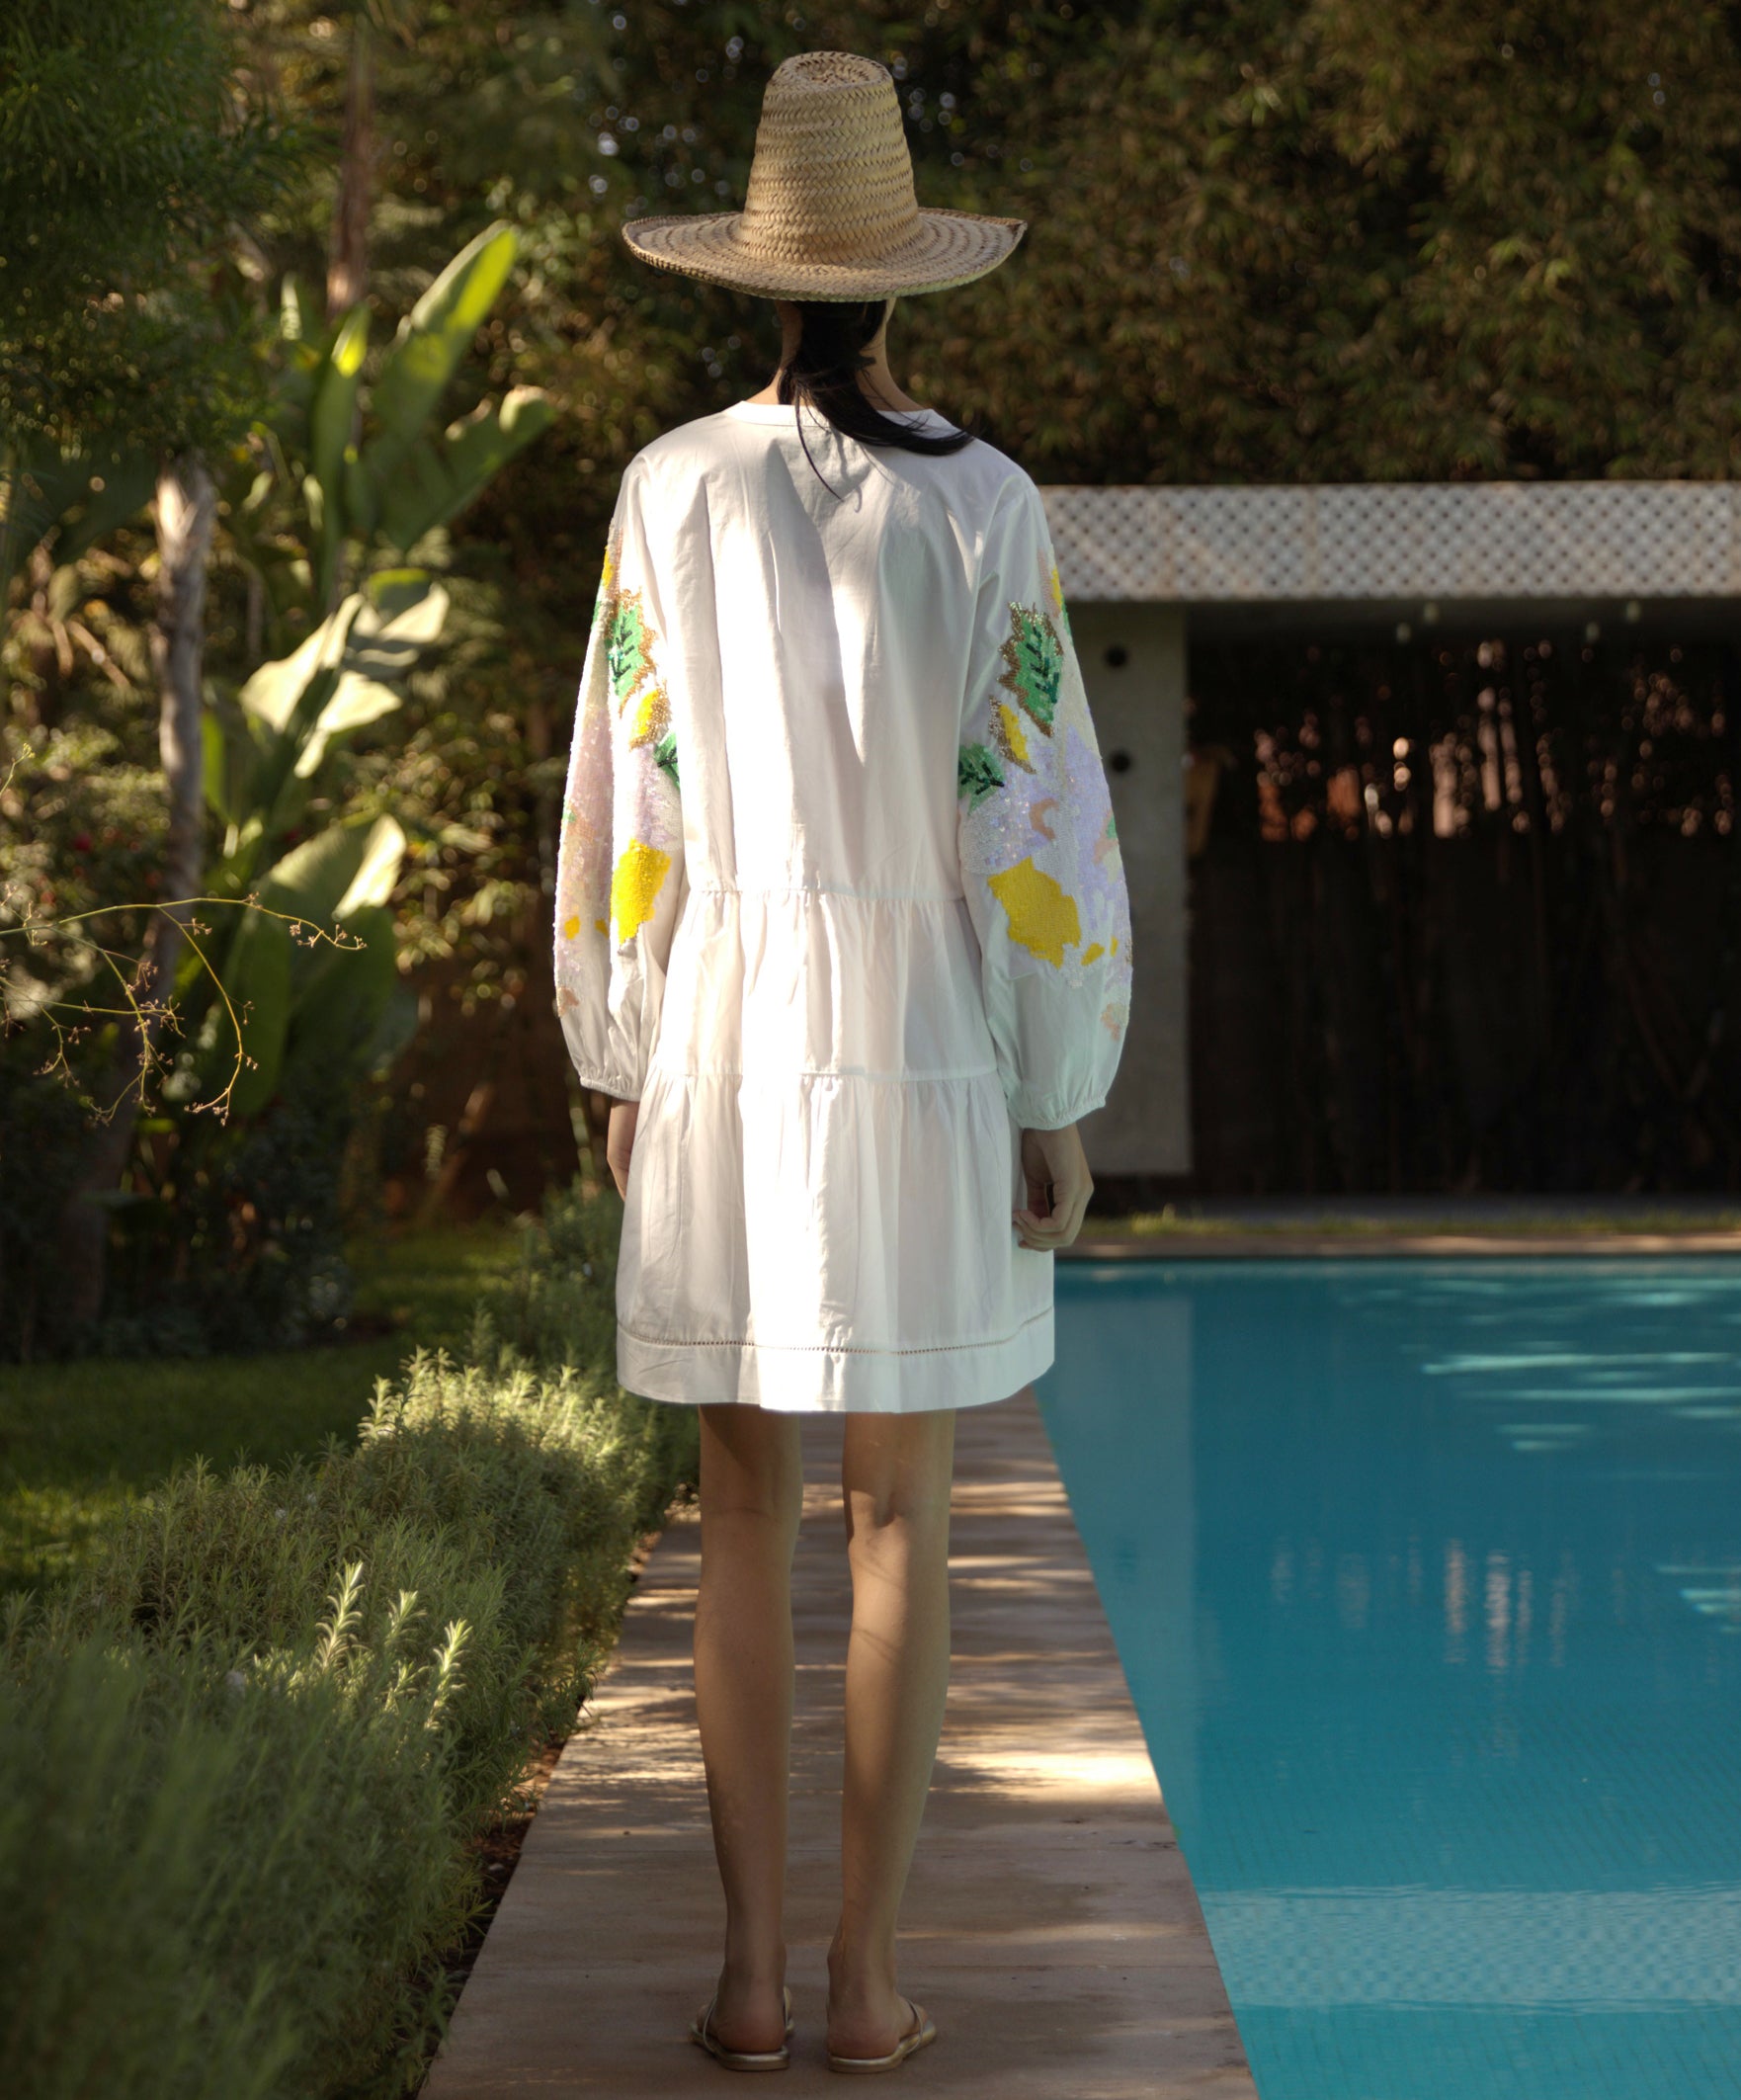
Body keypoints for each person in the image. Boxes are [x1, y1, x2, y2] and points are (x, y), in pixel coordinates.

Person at [552, 50, 1132, 2076]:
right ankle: (866, 1984)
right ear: (903, 283)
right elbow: (1031, 819)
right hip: (924, 1037)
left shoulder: (667, 488)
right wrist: (1055, 1086)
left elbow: (626, 795)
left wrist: (619, 1050)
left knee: (736, 1513)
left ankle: (739, 1980)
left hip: (722, 1024)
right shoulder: (985, 504)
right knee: (905, 1516)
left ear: (750, 279)